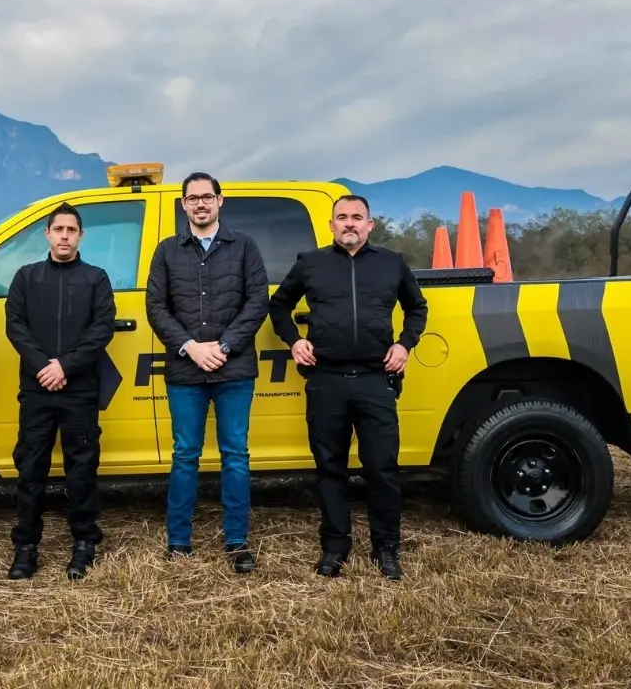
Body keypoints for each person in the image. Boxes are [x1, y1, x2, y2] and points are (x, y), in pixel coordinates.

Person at [268, 194, 428, 581]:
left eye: (357, 217)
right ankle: (335, 547)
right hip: (327, 382)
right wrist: (294, 341)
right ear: (332, 224)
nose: (350, 223)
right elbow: (278, 306)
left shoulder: (392, 263)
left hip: (377, 380)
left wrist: (404, 344)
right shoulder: (311, 264)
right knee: (330, 469)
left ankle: (386, 548)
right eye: (342, 217)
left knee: (383, 469)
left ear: (370, 225)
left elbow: (417, 308)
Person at [145, 171, 270, 573]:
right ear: (183, 205)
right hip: (185, 371)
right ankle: (179, 542)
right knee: (185, 456)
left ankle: (237, 542)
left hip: (234, 371)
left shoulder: (245, 247)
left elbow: (257, 301)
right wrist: (191, 348)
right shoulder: (166, 251)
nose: (200, 203)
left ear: (220, 201)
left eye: (207, 197)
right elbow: (156, 308)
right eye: (192, 198)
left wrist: (224, 346)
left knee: (235, 455)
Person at [3, 202, 116, 581]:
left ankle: (84, 544)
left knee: (81, 470)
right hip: (36, 389)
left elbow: (102, 329)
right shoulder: (26, 277)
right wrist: (43, 367)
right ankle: (26, 547)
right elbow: (15, 327)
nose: (65, 235)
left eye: (72, 230)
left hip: (79, 389)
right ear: (47, 234)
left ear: (81, 236)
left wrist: (65, 365)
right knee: (30, 468)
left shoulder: (96, 278)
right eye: (58, 229)